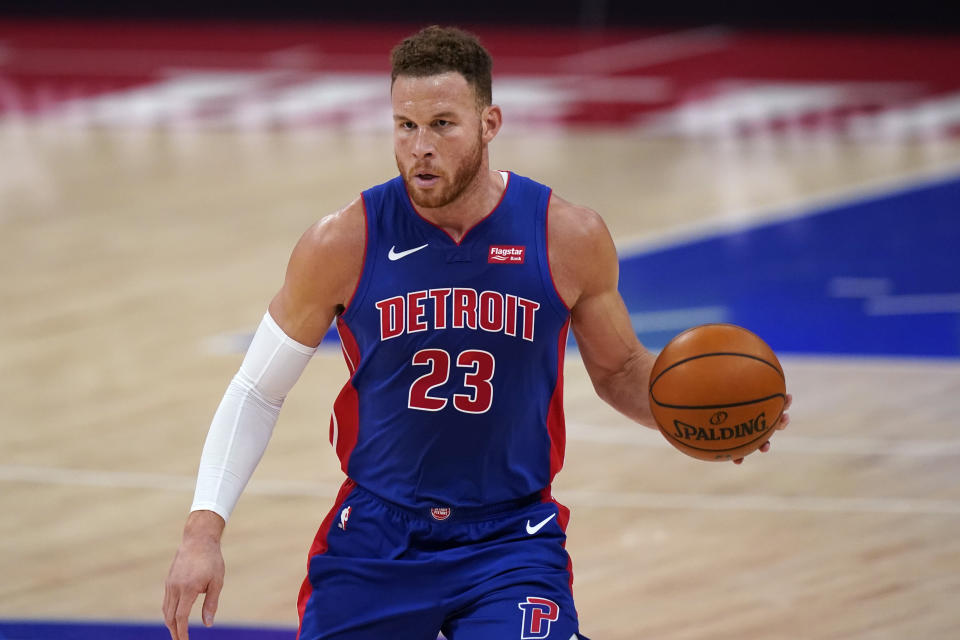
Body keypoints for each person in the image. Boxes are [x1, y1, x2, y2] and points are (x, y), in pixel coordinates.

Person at [162, 25, 791, 640]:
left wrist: (698, 415)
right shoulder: (344, 241)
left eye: (442, 124)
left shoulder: (566, 235)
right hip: (378, 537)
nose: (420, 147)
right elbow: (257, 390)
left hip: (510, 540)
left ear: (489, 124)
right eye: (405, 126)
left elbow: (622, 370)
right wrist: (202, 532)